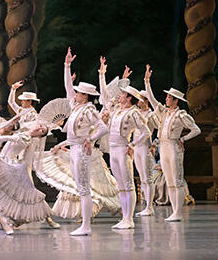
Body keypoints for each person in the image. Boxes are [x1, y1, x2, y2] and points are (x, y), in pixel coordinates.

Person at [46, 47, 109, 236]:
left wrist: (90, 139)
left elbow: (103, 128)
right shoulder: (76, 106)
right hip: (74, 148)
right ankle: (85, 225)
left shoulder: (89, 110)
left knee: (83, 188)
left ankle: (86, 226)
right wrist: (67, 65)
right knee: (79, 187)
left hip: (81, 150)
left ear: (85, 96)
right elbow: (68, 88)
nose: (76, 94)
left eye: (79, 93)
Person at [98, 57, 150, 229]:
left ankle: (129, 219)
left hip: (123, 149)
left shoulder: (133, 113)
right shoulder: (116, 110)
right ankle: (124, 218)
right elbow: (105, 95)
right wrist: (102, 74)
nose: (119, 96)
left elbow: (146, 132)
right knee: (120, 186)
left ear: (128, 98)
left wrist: (132, 144)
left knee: (128, 185)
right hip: (113, 150)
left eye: (122, 94)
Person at [144, 65, 200, 222]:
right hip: (163, 147)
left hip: (174, 147)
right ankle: (174, 212)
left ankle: (178, 212)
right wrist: (147, 82)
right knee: (169, 181)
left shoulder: (181, 115)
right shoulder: (163, 112)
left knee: (177, 180)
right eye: (167, 97)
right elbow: (152, 100)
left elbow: (196, 130)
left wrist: (183, 139)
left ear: (175, 100)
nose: (166, 99)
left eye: (169, 97)